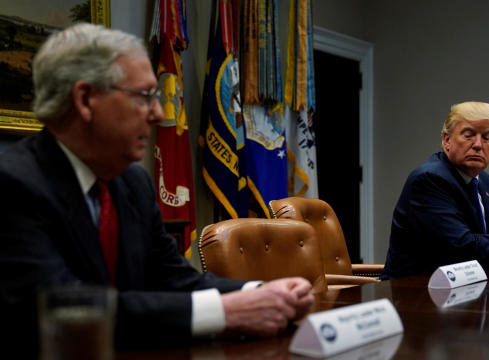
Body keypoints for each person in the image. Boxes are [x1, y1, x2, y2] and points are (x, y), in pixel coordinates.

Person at [0, 23, 313, 351]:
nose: (158, 113)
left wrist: (262, 293)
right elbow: (63, 312)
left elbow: (176, 280)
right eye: (145, 96)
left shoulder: (132, 184)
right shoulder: (14, 185)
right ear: (85, 99)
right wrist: (224, 312)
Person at [381, 101, 489, 279]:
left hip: (473, 288)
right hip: (416, 292)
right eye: (468, 135)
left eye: (487, 138)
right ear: (447, 140)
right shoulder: (428, 179)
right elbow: (460, 247)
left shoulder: (488, 183)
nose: (478, 145)